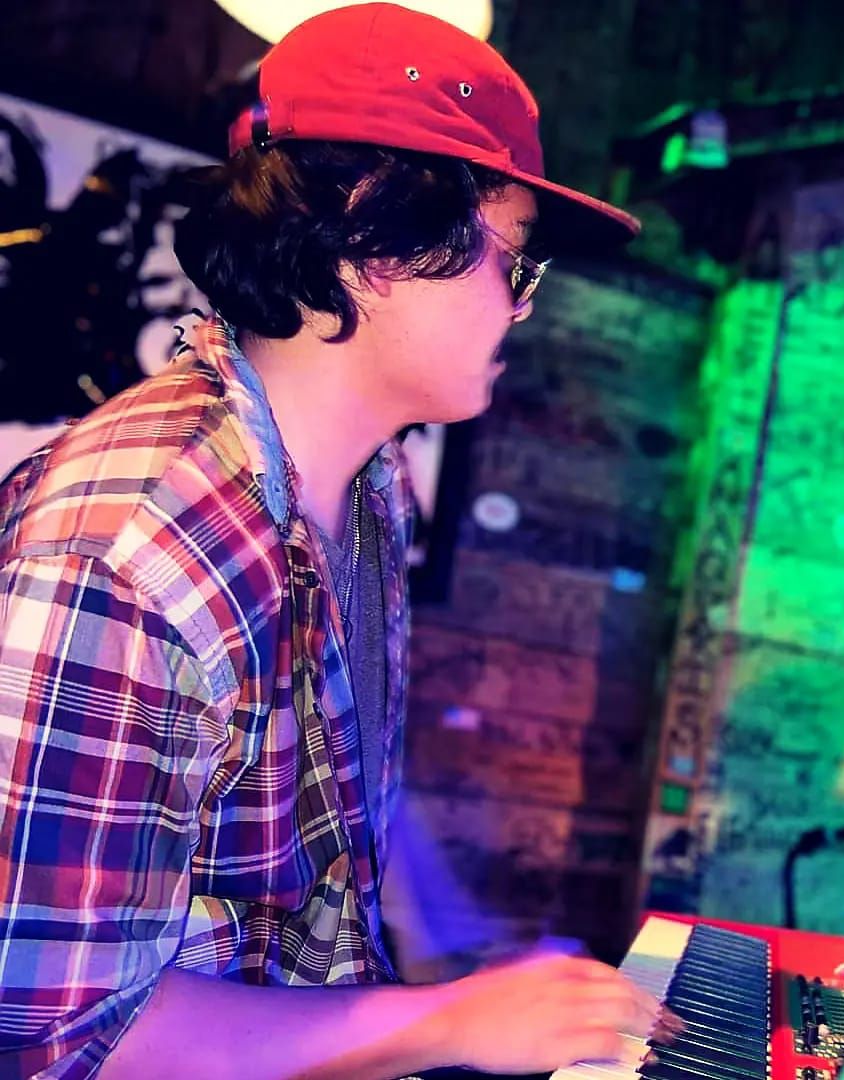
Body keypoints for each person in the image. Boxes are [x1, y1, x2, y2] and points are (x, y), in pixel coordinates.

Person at [0, 6, 678, 1078]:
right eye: (515, 262)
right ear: (376, 241)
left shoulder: (368, 488)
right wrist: (446, 1022)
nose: (521, 308)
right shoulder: (125, 555)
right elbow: (47, 1036)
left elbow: (328, 832)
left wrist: (460, 971)